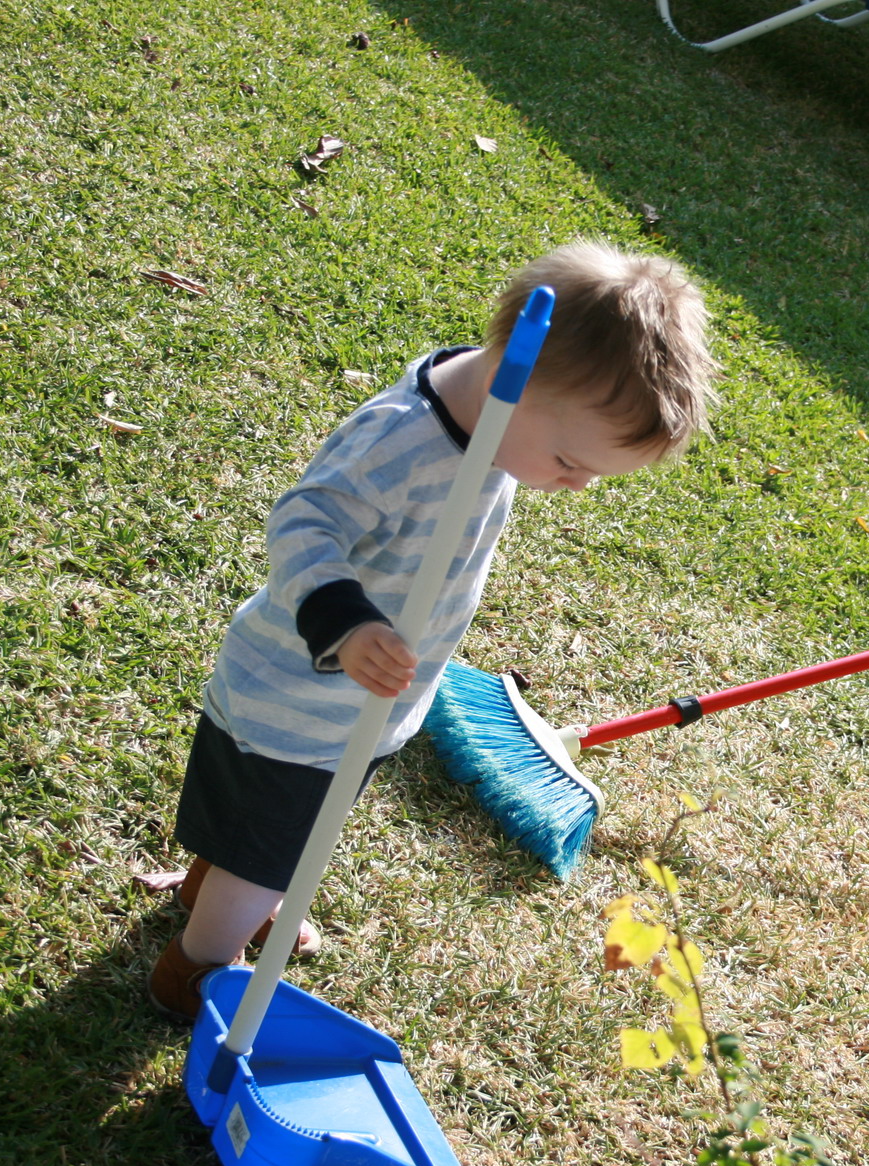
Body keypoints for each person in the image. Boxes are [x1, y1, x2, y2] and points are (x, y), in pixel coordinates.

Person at [147, 241, 716, 1019]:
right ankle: (197, 968)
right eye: (567, 461)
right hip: (303, 696)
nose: (575, 485)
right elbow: (302, 522)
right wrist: (345, 626)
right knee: (271, 844)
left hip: (354, 706)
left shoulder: (493, 408)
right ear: (516, 373)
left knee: (265, 833)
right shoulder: (405, 442)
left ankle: (220, 893)